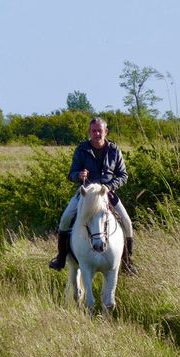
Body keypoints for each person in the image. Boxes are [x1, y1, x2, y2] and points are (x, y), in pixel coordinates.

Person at [48, 116, 136, 275]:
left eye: (99, 131)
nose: (97, 134)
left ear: (106, 132)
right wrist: (79, 175)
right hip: (86, 193)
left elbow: (123, 175)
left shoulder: (114, 150)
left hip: (107, 192)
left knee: (127, 221)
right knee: (65, 218)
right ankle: (61, 257)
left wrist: (109, 186)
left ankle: (127, 262)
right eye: (94, 131)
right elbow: (71, 174)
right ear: (89, 132)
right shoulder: (81, 149)